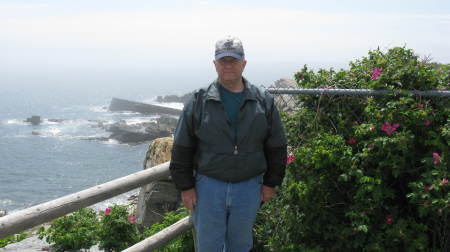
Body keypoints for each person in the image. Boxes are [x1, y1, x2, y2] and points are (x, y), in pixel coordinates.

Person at [169, 35, 287, 252]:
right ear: (215, 64)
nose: (229, 65)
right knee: (208, 246)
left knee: (240, 245)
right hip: (208, 187)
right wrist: (186, 187)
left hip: (249, 187)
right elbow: (182, 148)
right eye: (223, 60)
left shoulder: (263, 100)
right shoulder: (199, 101)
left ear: (244, 63)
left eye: (234, 60)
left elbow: (277, 146)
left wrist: (271, 183)